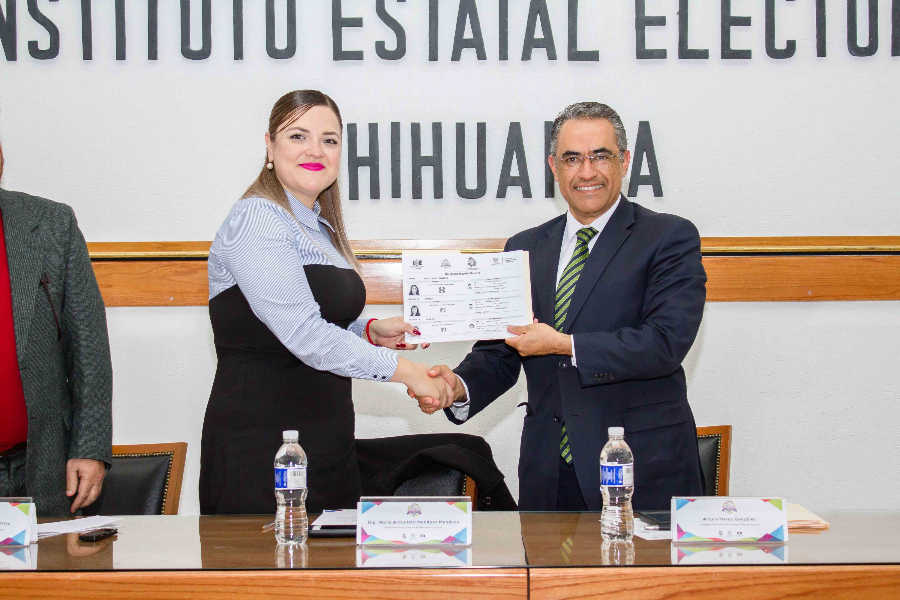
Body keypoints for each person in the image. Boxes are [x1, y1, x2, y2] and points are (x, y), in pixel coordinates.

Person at [415, 102, 706, 511]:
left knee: (640, 561)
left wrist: (563, 345)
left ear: (624, 161)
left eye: (600, 156)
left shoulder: (668, 237)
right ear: (554, 167)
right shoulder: (525, 246)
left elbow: (664, 343)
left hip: (638, 465)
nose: (586, 172)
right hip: (549, 469)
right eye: (572, 159)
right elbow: (500, 351)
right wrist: (457, 388)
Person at [200, 90, 450, 515]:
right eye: (298, 136)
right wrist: (407, 372)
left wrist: (369, 331)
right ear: (270, 146)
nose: (315, 150)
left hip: (325, 439)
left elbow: (307, 317)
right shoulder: (257, 217)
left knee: (332, 560)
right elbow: (303, 333)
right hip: (262, 444)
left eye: (329, 140)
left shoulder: (318, 226)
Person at [0, 140, 112, 516]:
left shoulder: (50, 223)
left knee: (42, 557)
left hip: (38, 466)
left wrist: (90, 447)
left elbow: (88, 346)